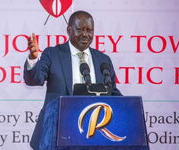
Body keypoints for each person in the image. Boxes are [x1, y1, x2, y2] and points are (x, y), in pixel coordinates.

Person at [23, 10, 122, 149]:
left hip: (95, 134)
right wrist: (33, 58)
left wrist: (127, 108)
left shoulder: (103, 60)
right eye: (80, 29)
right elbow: (34, 79)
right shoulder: (53, 54)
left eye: (89, 30)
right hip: (56, 134)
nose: (85, 34)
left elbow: (113, 93)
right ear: (69, 30)